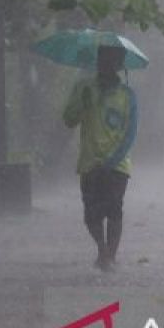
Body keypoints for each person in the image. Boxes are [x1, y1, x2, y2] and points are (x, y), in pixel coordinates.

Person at [62, 44, 138, 272]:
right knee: (91, 213)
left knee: (114, 208)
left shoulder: (127, 95)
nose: (106, 65)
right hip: (89, 162)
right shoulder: (84, 88)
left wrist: (113, 161)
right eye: (103, 60)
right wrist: (82, 103)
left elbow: (130, 133)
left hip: (118, 164)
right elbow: (68, 119)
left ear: (119, 64)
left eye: (112, 60)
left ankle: (110, 256)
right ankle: (102, 249)